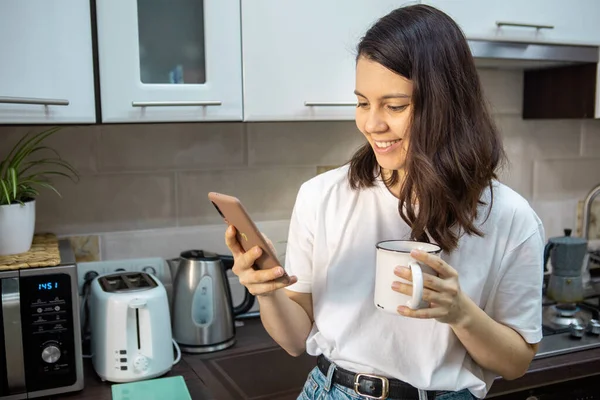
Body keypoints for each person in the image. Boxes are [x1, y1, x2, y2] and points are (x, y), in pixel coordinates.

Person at [224, 4, 544, 400]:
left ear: (446, 104)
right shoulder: (321, 196)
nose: (372, 124)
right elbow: (294, 340)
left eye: (394, 106)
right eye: (362, 102)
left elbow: (516, 364)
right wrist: (266, 290)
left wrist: (461, 312)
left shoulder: (510, 218)